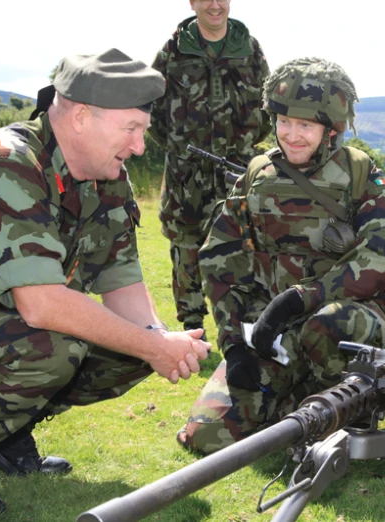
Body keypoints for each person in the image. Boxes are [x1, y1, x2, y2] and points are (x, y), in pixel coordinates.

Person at [0, 49, 210, 517]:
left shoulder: (106, 176)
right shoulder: (5, 163)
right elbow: (43, 306)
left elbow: (123, 280)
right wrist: (152, 346)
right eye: (130, 130)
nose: (138, 146)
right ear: (81, 117)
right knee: (52, 349)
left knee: (130, 351)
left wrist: (162, 343)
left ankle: (3, 436)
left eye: (142, 131)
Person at [176, 57, 385, 455]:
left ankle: (345, 410)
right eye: (284, 121)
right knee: (205, 437)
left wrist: (299, 299)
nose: (292, 135)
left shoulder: (359, 174)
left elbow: (376, 259)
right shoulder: (257, 174)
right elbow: (222, 260)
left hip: (344, 318)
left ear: (332, 128)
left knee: (327, 325)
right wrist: (234, 343)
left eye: (306, 125)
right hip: (271, 331)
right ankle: (290, 402)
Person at [149, 0, 272, 338]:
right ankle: (193, 329)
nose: (215, 5)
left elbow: (267, 109)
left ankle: (245, 327)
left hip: (236, 171)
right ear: (192, 2)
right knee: (186, 246)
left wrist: (242, 149)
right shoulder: (173, 52)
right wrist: (181, 148)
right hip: (186, 173)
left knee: (245, 243)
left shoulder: (249, 49)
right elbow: (152, 113)